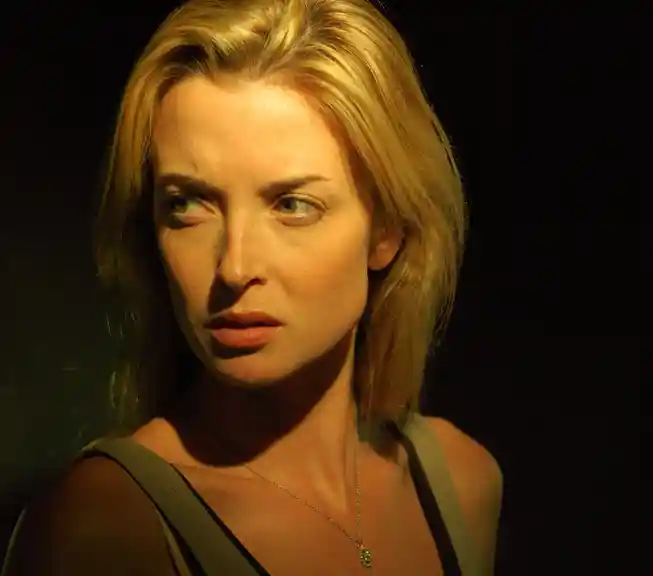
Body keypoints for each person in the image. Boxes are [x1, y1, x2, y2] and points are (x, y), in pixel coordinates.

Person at [1, 0, 501, 574]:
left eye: (293, 205)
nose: (235, 268)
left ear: (386, 229)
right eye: (188, 205)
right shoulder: (104, 528)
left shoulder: (462, 483)